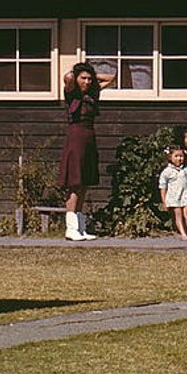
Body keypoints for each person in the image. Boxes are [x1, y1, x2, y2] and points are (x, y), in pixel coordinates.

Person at [59, 62, 115, 241]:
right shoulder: (71, 92)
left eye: (90, 78)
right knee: (74, 182)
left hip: (89, 136)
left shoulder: (93, 94)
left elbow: (112, 78)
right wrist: (78, 75)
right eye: (83, 78)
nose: (88, 81)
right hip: (76, 136)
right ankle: (71, 228)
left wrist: (91, 76)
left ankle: (81, 228)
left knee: (84, 182)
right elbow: (67, 77)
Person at [159, 145, 187, 240]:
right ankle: (183, 233)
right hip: (174, 196)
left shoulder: (186, 169)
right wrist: (164, 202)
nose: (179, 159)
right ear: (170, 157)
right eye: (176, 156)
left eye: (181, 156)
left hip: (185, 194)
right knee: (178, 215)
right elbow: (163, 187)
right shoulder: (167, 172)